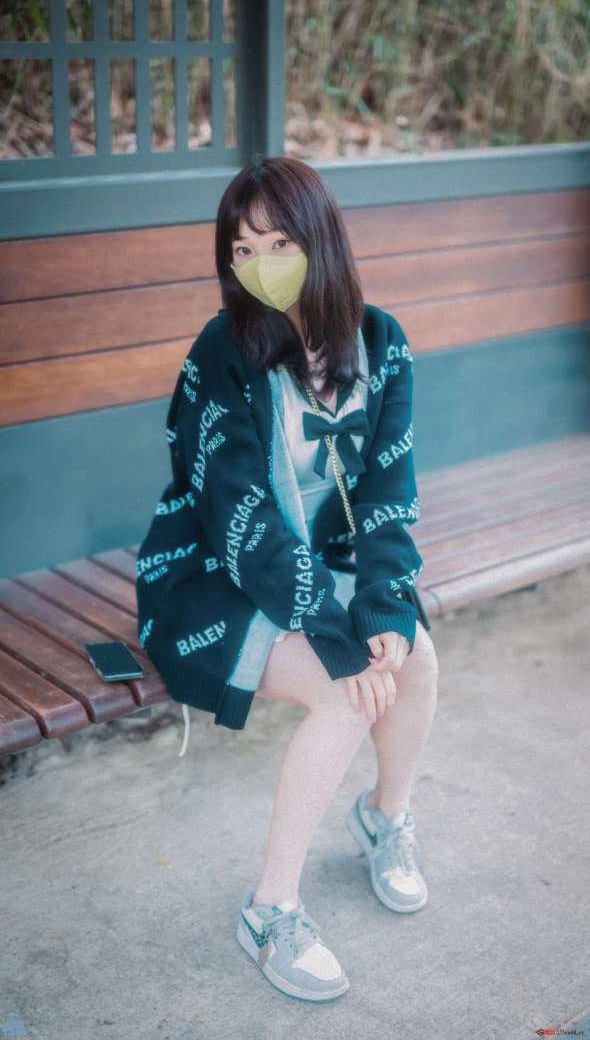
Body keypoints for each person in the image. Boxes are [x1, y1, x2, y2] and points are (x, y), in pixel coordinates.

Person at [135, 156, 439, 1003]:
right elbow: (239, 519)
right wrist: (334, 633)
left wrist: (381, 604)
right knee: (347, 693)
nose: (260, 262)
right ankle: (270, 910)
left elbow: (388, 492)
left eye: (278, 242)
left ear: (319, 240)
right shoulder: (223, 352)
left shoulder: (381, 342)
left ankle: (385, 817)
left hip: (322, 560)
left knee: (414, 657)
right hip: (211, 570)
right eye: (242, 248)